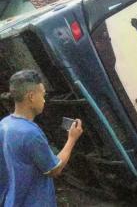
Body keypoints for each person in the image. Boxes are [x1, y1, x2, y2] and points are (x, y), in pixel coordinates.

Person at [0, 70, 83, 207]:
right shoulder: (31, 133)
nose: (44, 100)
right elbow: (54, 169)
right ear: (31, 97)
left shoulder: (4, 124)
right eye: (43, 95)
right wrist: (72, 139)